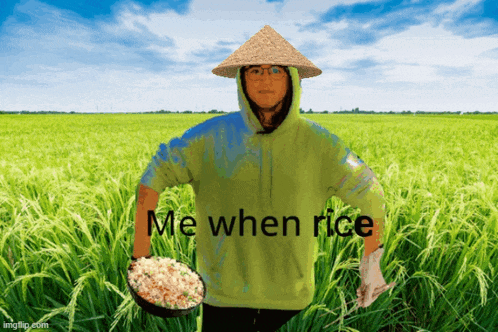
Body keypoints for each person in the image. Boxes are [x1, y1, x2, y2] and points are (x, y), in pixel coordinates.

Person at [132, 25, 395, 332]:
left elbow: (370, 192)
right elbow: (154, 176)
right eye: (255, 71)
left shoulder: (321, 144)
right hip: (221, 296)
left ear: (293, 79)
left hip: (291, 302)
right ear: (242, 80)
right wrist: (142, 256)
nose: (265, 79)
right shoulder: (209, 137)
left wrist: (372, 264)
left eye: (275, 70)